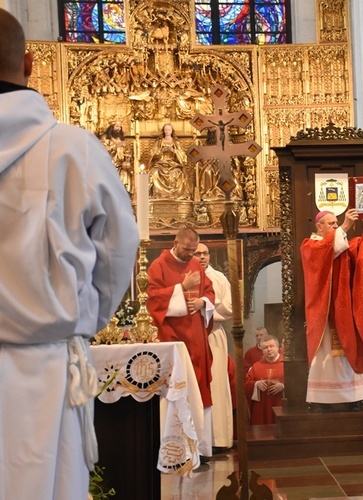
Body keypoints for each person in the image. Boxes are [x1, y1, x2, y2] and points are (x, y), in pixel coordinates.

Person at [0, 8, 139, 497]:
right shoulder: (72, 149)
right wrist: (81, 317)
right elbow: (119, 251)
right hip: (45, 372)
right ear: (31, 63)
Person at [147, 228, 216, 460]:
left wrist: (203, 301)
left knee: (198, 387)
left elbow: (209, 291)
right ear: (175, 243)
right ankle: (174, 450)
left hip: (195, 336)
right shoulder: (158, 265)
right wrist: (181, 288)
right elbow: (152, 298)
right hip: (172, 337)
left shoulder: (196, 265)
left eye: (193, 251)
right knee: (177, 389)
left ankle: (200, 448)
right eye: (187, 250)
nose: (190, 255)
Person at [301, 208, 363, 410]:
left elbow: (362, 250)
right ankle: (323, 399)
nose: (335, 226)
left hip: (343, 309)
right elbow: (328, 250)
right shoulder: (309, 246)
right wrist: (344, 227)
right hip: (323, 313)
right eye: (332, 224)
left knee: (347, 350)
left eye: (336, 223)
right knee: (326, 354)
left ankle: (353, 395)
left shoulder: (339, 241)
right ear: (320, 226)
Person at [195, 243, 234, 450]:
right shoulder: (185, 277)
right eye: (197, 253)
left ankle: (218, 439)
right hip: (191, 336)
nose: (202, 257)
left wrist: (205, 307)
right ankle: (198, 442)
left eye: (205, 253)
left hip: (213, 334)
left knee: (216, 383)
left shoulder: (218, 277)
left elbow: (229, 307)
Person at [244, 335, 285, 424]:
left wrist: (283, 386)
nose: (269, 349)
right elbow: (245, 384)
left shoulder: (286, 364)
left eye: (271, 346)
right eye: (265, 347)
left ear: (278, 347)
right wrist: (256, 384)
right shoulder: (256, 366)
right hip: (261, 409)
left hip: (281, 406)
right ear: (262, 350)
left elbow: (297, 384)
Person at [149, 122, 190, 200]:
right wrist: (161, 151)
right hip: (161, 163)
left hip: (173, 164)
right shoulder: (159, 141)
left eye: (169, 130)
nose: (167, 131)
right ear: (163, 131)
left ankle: (175, 195)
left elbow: (183, 155)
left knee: (178, 173)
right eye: (166, 130)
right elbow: (152, 153)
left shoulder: (175, 142)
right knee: (154, 172)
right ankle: (158, 194)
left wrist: (174, 151)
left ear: (172, 131)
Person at [100, 121, 133, 195]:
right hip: (109, 165)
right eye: (117, 126)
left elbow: (128, 152)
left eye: (120, 127)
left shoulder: (122, 139)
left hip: (121, 165)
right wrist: (116, 146)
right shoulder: (105, 138)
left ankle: (125, 195)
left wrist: (127, 158)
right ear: (112, 127)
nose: (119, 128)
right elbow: (101, 150)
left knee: (126, 174)